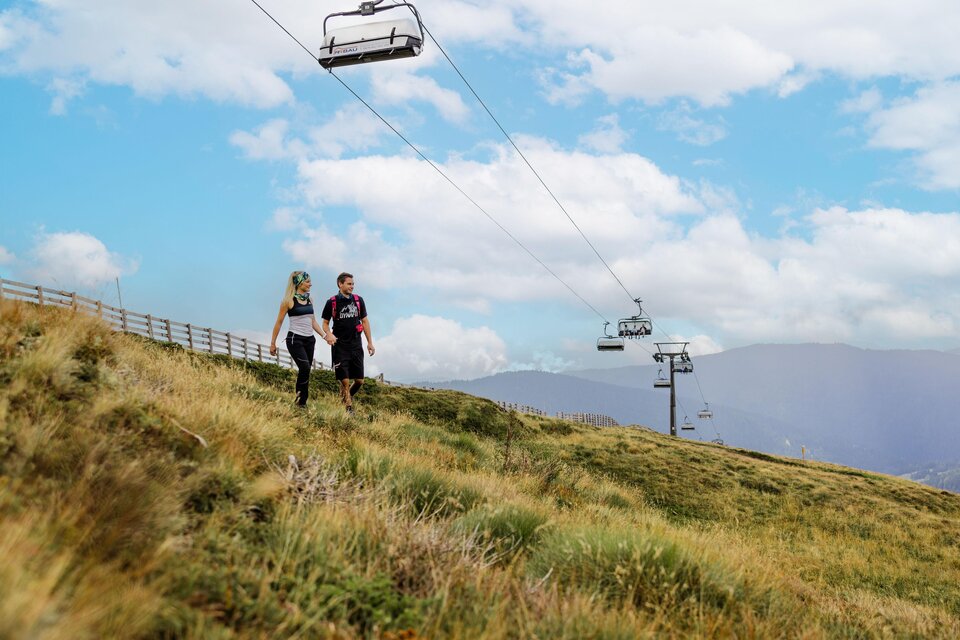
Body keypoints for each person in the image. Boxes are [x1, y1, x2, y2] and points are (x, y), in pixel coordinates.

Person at [269, 271, 335, 407]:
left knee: (306, 371)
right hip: (295, 339)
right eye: (307, 281)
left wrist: (325, 336)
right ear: (299, 283)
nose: (310, 284)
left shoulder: (310, 299)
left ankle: (301, 402)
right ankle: (300, 402)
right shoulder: (288, 301)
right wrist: (272, 343)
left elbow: (313, 321)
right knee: (304, 368)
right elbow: (278, 322)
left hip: (309, 340)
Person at [321, 272, 375, 414]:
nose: (352, 286)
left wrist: (370, 342)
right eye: (349, 284)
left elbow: (365, 321)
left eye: (353, 284)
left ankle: (345, 397)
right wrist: (329, 334)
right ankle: (349, 407)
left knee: (359, 381)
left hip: (356, 345)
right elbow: (325, 324)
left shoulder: (358, 300)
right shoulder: (332, 302)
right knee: (344, 380)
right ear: (340, 284)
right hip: (340, 345)